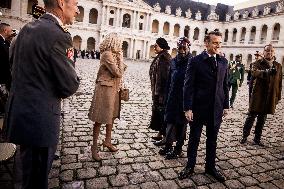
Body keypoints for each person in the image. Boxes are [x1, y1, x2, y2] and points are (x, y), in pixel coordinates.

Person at [4, 0, 80, 188]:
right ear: (62, 3)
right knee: (36, 180)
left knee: (25, 174)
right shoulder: (59, 35)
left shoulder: (24, 30)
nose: (78, 10)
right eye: (76, 3)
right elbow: (69, 85)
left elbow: (13, 69)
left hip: (20, 116)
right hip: (40, 121)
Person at [178, 31, 229, 182]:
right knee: (194, 138)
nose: (218, 46)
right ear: (206, 43)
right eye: (215, 43)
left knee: (212, 139)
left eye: (219, 43)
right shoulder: (195, 61)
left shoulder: (223, 62)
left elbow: (225, 85)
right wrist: (187, 108)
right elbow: (188, 86)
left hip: (216, 108)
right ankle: (190, 165)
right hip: (198, 107)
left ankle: (210, 167)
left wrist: (226, 105)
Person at [88, 33, 127, 161]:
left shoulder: (113, 55)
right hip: (105, 90)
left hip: (113, 89)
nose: (120, 46)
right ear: (114, 42)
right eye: (119, 43)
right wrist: (120, 59)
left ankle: (107, 141)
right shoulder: (107, 54)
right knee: (100, 118)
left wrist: (120, 60)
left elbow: (121, 71)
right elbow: (118, 72)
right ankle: (94, 148)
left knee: (111, 117)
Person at [240, 44, 282, 146]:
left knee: (262, 119)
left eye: (271, 51)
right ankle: (244, 136)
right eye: (267, 51)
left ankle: (257, 138)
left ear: (274, 52)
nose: (269, 53)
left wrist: (277, 96)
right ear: (264, 52)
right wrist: (266, 72)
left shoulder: (278, 66)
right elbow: (255, 73)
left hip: (269, 96)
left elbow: (279, 82)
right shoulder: (257, 63)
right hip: (258, 95)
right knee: (251, 116)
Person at [159, 37, 192, 159]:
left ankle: (178, 149)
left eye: (184, 47)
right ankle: (168, 146)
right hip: (172, 97)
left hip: (184, 99)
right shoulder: (173, 61)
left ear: (188, 47)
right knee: (169, 122)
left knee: (181, 125)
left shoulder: (191, 62)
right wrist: (166, 96)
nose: (182, 50)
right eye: (180, 47)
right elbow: (169, 81)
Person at [149, 37, 171, 145]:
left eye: (156, 45)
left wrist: (161, 94)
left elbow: (164, 78)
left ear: (161, 46)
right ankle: (160, 134)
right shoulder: (160, 56)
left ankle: (165, 138)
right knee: (159, 113)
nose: (154, 47)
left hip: (162, 92)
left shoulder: (164, 58)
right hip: (158, 91)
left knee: (163, 115)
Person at [0, 23, 13, 114]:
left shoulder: (5, 41)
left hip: (5, 75)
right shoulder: (0, 42)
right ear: (5, 30)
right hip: (2, 76)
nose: (11, 32)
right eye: (10, 30)